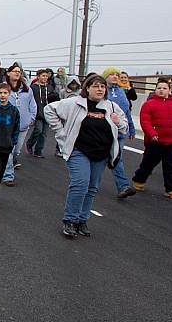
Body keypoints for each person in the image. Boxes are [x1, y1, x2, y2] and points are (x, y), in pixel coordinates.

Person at [44, 73, 129, 238]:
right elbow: (50, 109)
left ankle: (82, 220)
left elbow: (124, 128)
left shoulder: (111, 107)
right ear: (87, 88)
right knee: (80, 183)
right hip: (79, 151)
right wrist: (61, 134)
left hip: (101, 153)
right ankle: (70, 219)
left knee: (91, 187)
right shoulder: (75, 103)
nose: (99, 89)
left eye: (102, 86)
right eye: (95, 86)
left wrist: (118, 121)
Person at [131, 77, 172, 200]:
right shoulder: (149, 104)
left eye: (164, 88)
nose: (161, 90)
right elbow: (145, 121)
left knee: (171, 166)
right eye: (159, 88)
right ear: (155, 89)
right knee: (149, 163)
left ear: (169, 90)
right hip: (155, 141)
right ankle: (139, 180)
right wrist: (152, 134)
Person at [0, 63, 36, 187]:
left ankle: (8, 163)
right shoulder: (2, 88)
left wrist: (31, 118)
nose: (17, 73)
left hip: (22, 126)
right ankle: (8, 176)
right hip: (6, 126)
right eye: (15, 71)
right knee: (10, 150)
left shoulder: (27, 89)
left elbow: (33, 105)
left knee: (16, 151)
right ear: (8, 73)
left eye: (19, 71)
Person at [102, 67, 138, 198]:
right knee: (99, 159)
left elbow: (126, 112)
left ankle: (123, 186)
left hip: (120, 132)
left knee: (117, 158)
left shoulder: (122, 92)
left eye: (116, 74)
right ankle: (88, 184)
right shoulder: (101, 90)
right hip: (103, 132)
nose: (115, 77)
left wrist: (131, 128)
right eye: (111, 74)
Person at [27, 68, 60, 157]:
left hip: (47, 113)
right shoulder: (33, 87)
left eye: (46, 76)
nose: (45, 77)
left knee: (44, 134)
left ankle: (38, 151)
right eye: (43, 76)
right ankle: (30, 143)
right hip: (37, 112)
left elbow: (54, 99)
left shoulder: (49, 87)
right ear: (38, 77)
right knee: (38, 130)